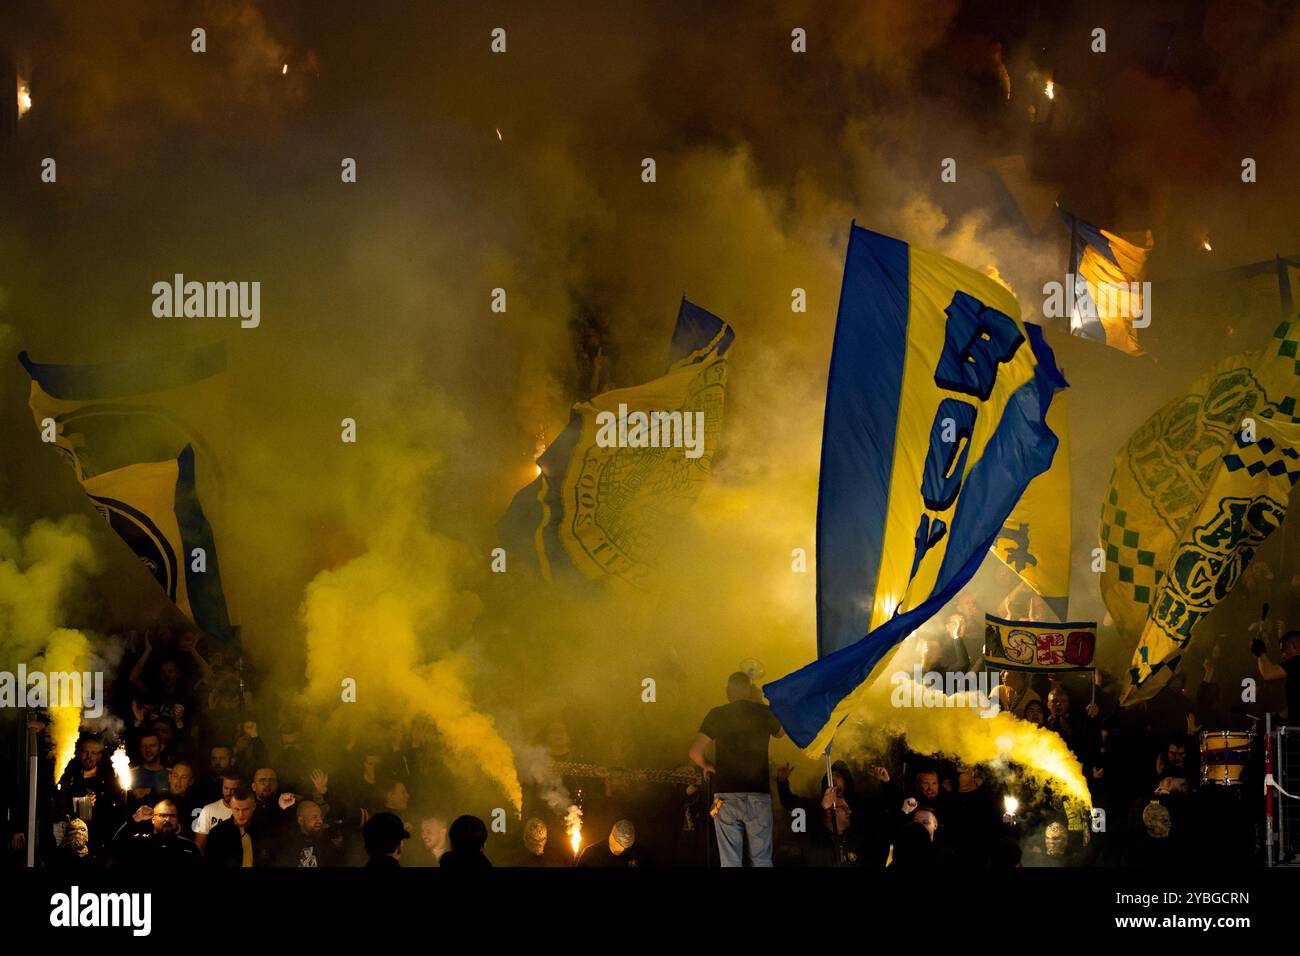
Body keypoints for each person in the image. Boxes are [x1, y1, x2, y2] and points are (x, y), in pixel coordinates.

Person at [688, 672, 784, 867]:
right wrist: (760, 704)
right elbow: (782, 733)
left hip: (726, 796)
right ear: (750, 691)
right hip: (759, 795)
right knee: (762, 860)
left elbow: (695, 752)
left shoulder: (717, 714)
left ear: (728, 692)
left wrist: (706, 765)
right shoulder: (764, 713)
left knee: (730, 862)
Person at [108, 798, 202, 870]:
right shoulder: (139, 842)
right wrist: (134, 819)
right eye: (162, 815)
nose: (168, 819)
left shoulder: (189, 847)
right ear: (153, 819)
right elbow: (112, 846)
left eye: (172, 816)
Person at [205, 789, 266, 867]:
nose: (241, 815)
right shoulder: (217, 833)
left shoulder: (264, 830)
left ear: (254, 806)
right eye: (236, 809)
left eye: (245, 809)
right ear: (230, 806)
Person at [275, 800, 343, 867]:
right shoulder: (287, 845)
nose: (320, 820)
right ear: (300, 820)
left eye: (320, 816)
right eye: (314, 817)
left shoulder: (327, 843)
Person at [1254, 626, 1300, 724]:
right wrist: (1277, 717)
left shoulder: (1297, 661)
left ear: (1293, 646)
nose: (1283, 655)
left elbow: (1268, 674)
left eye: (1284, 650)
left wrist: (1260, 652)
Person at [193, 770, 239, 854]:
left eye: (233, 789)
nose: (228, 793)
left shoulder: (243, 812)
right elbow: (199, 846)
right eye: (226, 788)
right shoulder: (208, 810)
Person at [577, 820, 652, 867]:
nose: (623, 850)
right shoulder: (591, 854)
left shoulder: (640, 853)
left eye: (628, 846)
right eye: (620, 844)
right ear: (611, 837)